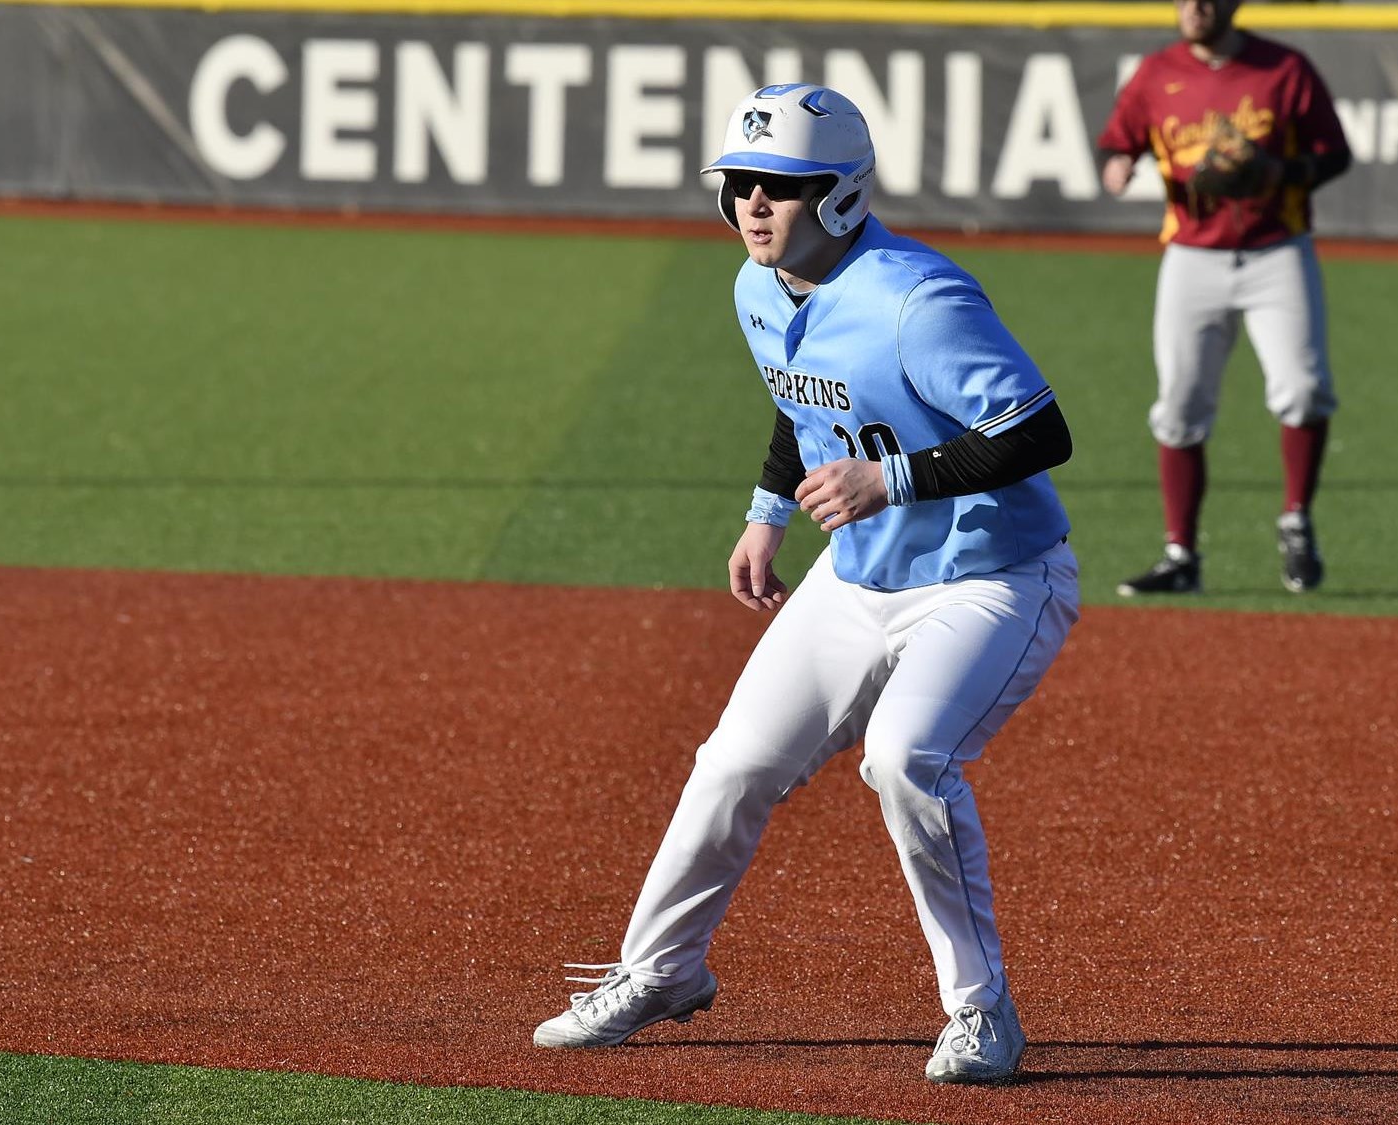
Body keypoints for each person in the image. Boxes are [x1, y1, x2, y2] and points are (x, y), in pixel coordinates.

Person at [532, 83, 1080, 1086]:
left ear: (840, 194)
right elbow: (804, 398)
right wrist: (765, 511)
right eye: (740, 182)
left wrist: (890, 479)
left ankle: (980, 1011)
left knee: (906, 760)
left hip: (992, 578)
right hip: (857, 575)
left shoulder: (919, 299)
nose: (753, 203)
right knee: (732, 764)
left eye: (780, 185)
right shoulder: (758, 286)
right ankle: (661, 971)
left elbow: (1040, 431)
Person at [1096, 0, 1352, 596]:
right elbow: (1116, 142)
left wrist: (1278, 172)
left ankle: (1296, 519)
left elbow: (1334, 154)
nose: (1196, 7)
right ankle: (1180, 555)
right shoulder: (1158, 72)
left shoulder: (1283, 69)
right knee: (1180, 406)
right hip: (1191, 255)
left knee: (1303, 389)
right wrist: (1117, 165)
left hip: (1276, 250)